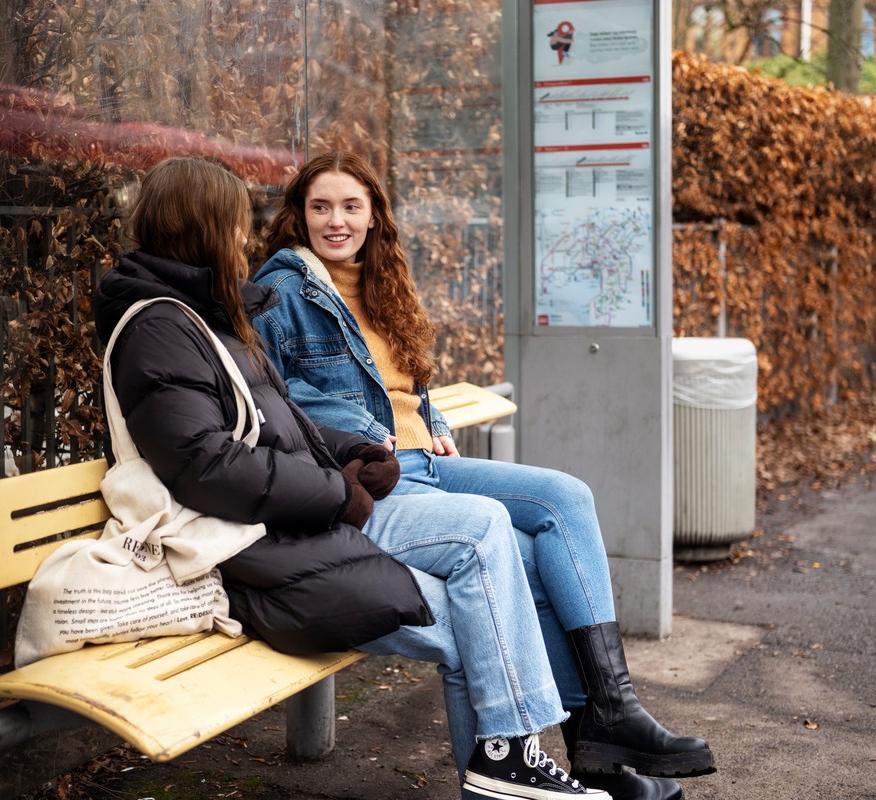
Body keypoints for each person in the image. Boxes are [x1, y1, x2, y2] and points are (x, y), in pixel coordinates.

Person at [93, 156, 608, 800]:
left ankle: (511, 765)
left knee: (480, 612)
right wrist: (338, 491)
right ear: (199, 228)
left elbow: (278, 420)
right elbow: (205, 467)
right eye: (233, 225)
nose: (243, 240)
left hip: (286, 521)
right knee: (483, 531)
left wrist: (351, 452)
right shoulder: (160, 328)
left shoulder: (207, 315)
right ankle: (510, 756)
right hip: (247, 547)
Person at [253, 150, 717, 800]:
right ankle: (579, 753)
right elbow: (275, 393)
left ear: (372, 215)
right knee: (519, 555)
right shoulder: (279, 291)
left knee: (564, 497)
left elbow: (399, 379)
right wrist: (349, 425)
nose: (336, 221)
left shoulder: (382, 281)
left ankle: (608, 715)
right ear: (298, 217)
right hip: (374, 482)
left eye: (350, 206)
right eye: (320, 207)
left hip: (428, 465)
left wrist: (432, 415)